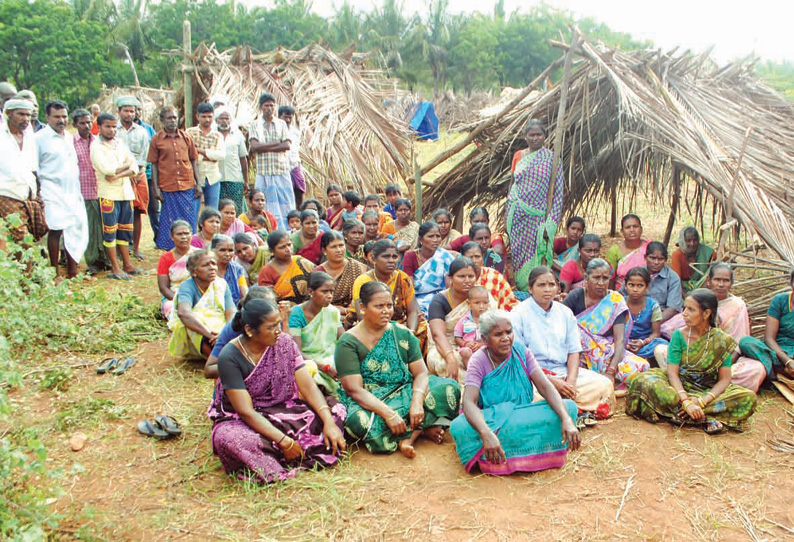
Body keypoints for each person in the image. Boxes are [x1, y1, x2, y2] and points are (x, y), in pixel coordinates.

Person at [208, 299, 346, 483]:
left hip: (283, 410)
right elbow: (245, 411)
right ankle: (284, 453)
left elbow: (308, 386)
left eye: (279, 324)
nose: (279, 330)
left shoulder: (285, 343)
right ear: (249, 330)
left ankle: (289, 452)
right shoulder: (229, 356)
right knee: (234, 440)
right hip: (243, 420)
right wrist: (284, 442)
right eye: (271, 327)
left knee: (336, 411)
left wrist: (328, 422)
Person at [336, 281, 461, 456]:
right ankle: (421, 428)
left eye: (389, 305)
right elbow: (354, 390)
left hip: (404, 390)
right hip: (369, 399)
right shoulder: (348, 342)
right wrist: (389, 414)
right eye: (379, 306)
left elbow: (421, 373)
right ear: (363, 308)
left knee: (449, 387)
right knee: (359, 422)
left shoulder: (402, 333)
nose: (386, 311)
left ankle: (409, 435)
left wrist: (417, 402)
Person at [451, 310, 580, 474]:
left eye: (509, 332)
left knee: (569, 408)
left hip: (522, 415)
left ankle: (503, 450)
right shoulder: (479, 360)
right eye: (498, 334)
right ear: (484, 339)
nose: (506, 338)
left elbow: (545, 387)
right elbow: (469, 402)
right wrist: (486, 433)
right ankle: (505, 446)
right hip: (493, 420)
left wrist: (565, 418)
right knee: (459, 427)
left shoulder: (521, 351)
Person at [625, 289, 757, 434]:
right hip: (678, 386)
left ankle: (686, 413)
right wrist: (686, 401)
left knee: (747, 397)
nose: (684, 314)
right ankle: (704, 415)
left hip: (708, 389)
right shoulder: (678, 336)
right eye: (684, 308)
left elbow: (725, 380)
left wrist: (701, 401)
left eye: (691, 309)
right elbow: (672, 374)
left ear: (706, 314)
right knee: (643, 380)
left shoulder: (721, 340)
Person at [510, 266, 615, 419]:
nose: (547, 289)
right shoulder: (518, 314)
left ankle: (564, 408)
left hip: (562, 372)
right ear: (530, 289)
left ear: (558, 288)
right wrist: (550, 382)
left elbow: (574, 351)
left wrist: (571, 382)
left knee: (603, 385)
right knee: (528, 394)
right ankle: (574, 410)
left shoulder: (565, 313)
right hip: (532, 376)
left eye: (551, 285)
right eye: (541, 285)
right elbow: (519, 358)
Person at [660, 263, 764, 391]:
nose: (721, 284)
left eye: (725, 280)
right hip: (691, 360)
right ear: (709, 281)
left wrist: (719, 367)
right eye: (717, 279)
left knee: (756, 369)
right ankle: (702, 382)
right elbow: (672, 327)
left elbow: (737, 343)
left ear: (731, 283)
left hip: (724, 360)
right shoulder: (699, 299)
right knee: (660, 350)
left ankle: (706, 383)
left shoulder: (737, 305)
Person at [562, 258, 649, 390]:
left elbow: (620, 340)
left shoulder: (615, 300)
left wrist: (611, 370)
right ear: (586, 278)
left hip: (608, 354)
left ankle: (603, 377)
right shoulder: (575, 296)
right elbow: (561, 325)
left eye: (605, 278)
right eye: (596, 278)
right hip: (577, 354)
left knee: (642, 367)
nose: (601, 283)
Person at [507, 120, 564, 291]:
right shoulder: (519, 156)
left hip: (538, 217)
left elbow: (558, 192)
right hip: (517, 213)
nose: (535, 138)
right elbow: (512, 184)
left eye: (539, 135)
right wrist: (506, 213)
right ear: (525, 137)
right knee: (518, 253)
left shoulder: (552, 159)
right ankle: (521, 287)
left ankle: (536, 288)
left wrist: (551, 221)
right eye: (531, 135)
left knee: (538, 252)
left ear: (545, 136)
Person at [36, 100, 88, 279]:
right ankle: (55, 272)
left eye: (64, 116)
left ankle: (73, 270)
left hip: (71, 190)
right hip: (51, 190)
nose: (61, 120)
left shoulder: (68, 136)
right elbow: (35, 167)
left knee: (73, 228)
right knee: (56, 229)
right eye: (57, 116)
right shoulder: (39, 139)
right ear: (47, 117)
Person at [427, 257, 496, 384]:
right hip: (448, 346)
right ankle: (473, 384)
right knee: (438, 360)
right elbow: (438, 335)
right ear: (451, 278)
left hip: (481, 344)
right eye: (461, 276)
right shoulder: (439, 300)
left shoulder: (483, 296)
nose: (467, 281)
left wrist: (482, 344)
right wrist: (450, 358)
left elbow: (494, 325)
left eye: (471, 276)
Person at [91, 113, 141, 280]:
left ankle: (127, 264)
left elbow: (134, 165)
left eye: (114, 126)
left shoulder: (120, 143)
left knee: (125, 230)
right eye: (108, 126)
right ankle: (115, 266)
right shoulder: (96, 146)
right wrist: (124, 167)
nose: (112, 130)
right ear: (99, 127)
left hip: (125, 193)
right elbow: (106, 169)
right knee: (110, 231)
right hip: (108, 195)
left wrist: (119, 173)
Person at [148, 106, 201, 250]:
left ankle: (190, 247)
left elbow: (194, 160)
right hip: (168, 186)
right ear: (162, 120)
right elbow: (154, 165)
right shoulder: (156, 140)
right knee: (169, 220)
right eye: (169, 118)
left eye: (174, 118)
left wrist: (198, 184)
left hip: (187, 185)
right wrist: (156, 189)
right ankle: (169, 248)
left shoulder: (186, 137)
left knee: (189, 218)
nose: (172, 121)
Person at [204, 286, 284, 379]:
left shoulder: (275, 323)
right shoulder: (233, 330)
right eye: (267, 307)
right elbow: (209, 370)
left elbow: (288, 356)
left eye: (274, 305)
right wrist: (242, 367)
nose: (273, 310)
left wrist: (285, 323)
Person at [168, 249, 235, 359]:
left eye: (213, 263)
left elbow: (231, 311)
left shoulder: (221, 284)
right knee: (193, 319)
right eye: (205, 265)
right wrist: (210, 336)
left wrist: (225, 333)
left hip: (221, 331)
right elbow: (184, 313)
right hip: (203, 334)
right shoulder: (187, 286)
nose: (212, 267)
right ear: (194, 272)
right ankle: (215, 360)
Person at [0, 98, 47, 248]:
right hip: (6, 194)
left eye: (28, 115)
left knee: (32, 237)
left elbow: (33, 168)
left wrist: (38, 195)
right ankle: (26, 271)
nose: (26, 119)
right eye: (21, 114)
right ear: (8, 113)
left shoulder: (29, 137)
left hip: (27, 195)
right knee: (23, 240)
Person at [351, 240, 422, 336]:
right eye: (386, 256)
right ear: (373, 258)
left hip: (400, 327)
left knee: (423, 327)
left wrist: (410, 334)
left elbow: (413, 311)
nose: (391, 260)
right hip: (372, 328)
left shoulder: (402, 277)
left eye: (395, 257)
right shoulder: (363, 280)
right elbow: (361, 315)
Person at [289, 272, 344, 393]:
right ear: (310, 292)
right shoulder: (296, 314)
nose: (329, 296)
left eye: (331, 291)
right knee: (309, 373)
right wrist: (323, 367)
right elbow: (296, 351)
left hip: (332, 360)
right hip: (310, 363)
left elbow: (344, 340)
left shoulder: (333, 312)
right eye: (325, 291)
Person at [739, 269, 794, 387]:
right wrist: (787, 361)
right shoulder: (780, 300)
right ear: (791, 282)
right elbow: (769, 339)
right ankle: (780, 371)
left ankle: (774, 373)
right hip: (777, 353)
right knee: (746, 342)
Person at [72, 108, 111, 273]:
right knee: (89, 227)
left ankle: (106, 259)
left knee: (105, 226)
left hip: (102, 189)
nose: (87, 126)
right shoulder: (71, 143)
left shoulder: (98, 141)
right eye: (82, 123)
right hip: (83, 191)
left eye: (89, 122)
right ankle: (93, 261)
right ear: (75, 124)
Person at [249, 93, 292, 229]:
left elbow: (286, 145)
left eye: (272, 105)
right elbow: (255, 147)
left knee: (286, 204)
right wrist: (276, 143)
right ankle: (267, 230)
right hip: (263, 171)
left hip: (280, 170)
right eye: (266, 105)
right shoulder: (255, 125)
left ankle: (287, 231)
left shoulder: (281, 124)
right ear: (261, 107)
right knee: (264, 204)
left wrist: (264, 146)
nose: (269, 108)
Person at [116, 96, 150, 260]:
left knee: (137, 212)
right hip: (117, 177)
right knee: (118, 213)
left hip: (137, 176)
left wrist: (136, 174)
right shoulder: (112, 130)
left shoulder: (142, 132)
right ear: (119, 111)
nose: (129, 114)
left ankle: (135, 248)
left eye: (132, 111)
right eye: (126, 110)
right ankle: (119, 249)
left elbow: (143, 155)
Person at [314, 231, 366, 326]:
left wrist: (347, 311)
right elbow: (314, 303)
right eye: (333, 247)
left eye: (341, 245)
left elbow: (363, 300)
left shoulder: (357, 268)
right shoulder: (318, 273)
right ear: (324, 251)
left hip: (354, 318)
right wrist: (336, 310)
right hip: (324, 318)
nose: (339, 250)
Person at [403, 221, 455, 314]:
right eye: (431, 236)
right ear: (420, 240)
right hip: (415, 299)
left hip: (439, 298)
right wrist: (418, 312)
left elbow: (449, 287)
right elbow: (409, 288)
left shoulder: (444, 256)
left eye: (438, 236)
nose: (435, 240)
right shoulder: (410, 256)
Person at [629, 241, 683, 323]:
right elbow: (622, 296)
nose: (656, 262)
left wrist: (654, 323)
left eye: (660, 259)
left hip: (662, 318)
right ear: (645, 257)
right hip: (634, 315)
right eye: (652, 258)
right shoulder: (636, 274)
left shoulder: (673, 278)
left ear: (665, 260)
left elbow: (673, 308)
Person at [257, 230, 316, 304]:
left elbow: (318, 281)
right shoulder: (267, 271)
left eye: (289, 245)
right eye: (282, 247)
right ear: (271, 250)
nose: (288, 249)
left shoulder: (301, 262)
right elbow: (266, 300)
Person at [624, 267, 669, 361]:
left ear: (647, 287)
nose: (635, 289)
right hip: (623, 342)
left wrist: (642, 342)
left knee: (663, 347)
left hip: (646, 343)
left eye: (640, 285)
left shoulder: (653, 305)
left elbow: (656, 333)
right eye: (631, 285)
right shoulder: (619, 303)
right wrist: (625, 343)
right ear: (625, 285)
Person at [186, 102, 225, 210]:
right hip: (194, 177)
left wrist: (201, 151)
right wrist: (211, 156)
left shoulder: (217, 135)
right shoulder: (189, 133)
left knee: (212, 211)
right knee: (192, 209)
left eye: (209, 116)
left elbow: (221, 155)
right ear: (197, 116)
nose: (207, 119)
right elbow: (187, 153)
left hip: (213, 177)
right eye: (203, 116)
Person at [460, 242, 517, 311]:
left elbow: (510, 303)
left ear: (483, 258)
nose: (474, 261)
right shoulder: (459, 277)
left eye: (477, 257)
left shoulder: (494, 276)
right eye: (470, 257)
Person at [157, 220, 196, 318]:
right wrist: (180, 299)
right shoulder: (165, 258)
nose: (183, 237)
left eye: (186, 233)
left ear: (191, 235)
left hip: (197, 295)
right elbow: (163, 288)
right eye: (179, 234)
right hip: (173, 296)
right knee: (171, 308)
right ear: (172, 237)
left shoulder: (198, 255)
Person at [216, 107, 249, 215]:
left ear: (230, 120)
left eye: (227, 118)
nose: (224, 121)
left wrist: (246, 180)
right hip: (216, 179)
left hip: (235, 178)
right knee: (219, 209)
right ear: (216, 120)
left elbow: (243, 158)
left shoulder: (238, 136)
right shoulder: (213, 135)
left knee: (236, 209)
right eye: (221, 118)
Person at [134, 105, 160, 240]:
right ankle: (130, 242)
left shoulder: (149, 129)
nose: (136, 112)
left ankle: (159, 237)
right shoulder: (118, 130)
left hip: (149, 174)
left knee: (154, 209)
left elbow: (156, 151)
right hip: (128, 176)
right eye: (133, 109)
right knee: (132, 211)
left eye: (138, 109)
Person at [605, 214, 650, 290]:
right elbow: (610, 278)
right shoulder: (614, 251)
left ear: (641, 229)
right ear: (622, 231)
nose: (632, 230)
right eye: (627, 227)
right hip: (621, 295)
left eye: (635, 226)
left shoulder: (649, 247)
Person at [670, 226, 715, 294]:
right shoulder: (677, 255)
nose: (692, 243)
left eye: (695, 240)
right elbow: (676, 282)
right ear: (683, 241)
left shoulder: (706, 251)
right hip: (682, 291)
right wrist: (686, 297)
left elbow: (725, 260)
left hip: (703, 290)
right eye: (688, 241)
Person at [454, 286, 489, 368]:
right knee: (465, 353)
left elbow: (493, 337)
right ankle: (471, 370)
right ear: (468, 303)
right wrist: (465, 344)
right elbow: (457, 337)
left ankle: (485, 371)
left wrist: (481, 344)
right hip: (468, 348)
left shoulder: (490, 319)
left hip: (484, 346)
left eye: (485, 303)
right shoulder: (464, 320)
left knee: (490, 351)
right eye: (477, 303)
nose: (481, 306)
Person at [277, 105, 304, 207]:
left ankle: (300, 214)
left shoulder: (296, 132)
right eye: (285, 117)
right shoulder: (275, 131)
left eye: (290, 117)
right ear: (279, 117)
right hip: (280, 166)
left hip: (294, 164)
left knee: (299, 190)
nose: (288, 120)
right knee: (283, 192)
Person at [212, 234, 249, 305]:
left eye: (230, 250)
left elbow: (244, 294)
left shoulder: (237, 269)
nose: (227, 254)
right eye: (222, 250)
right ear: (213, 251)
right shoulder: (206, 268)